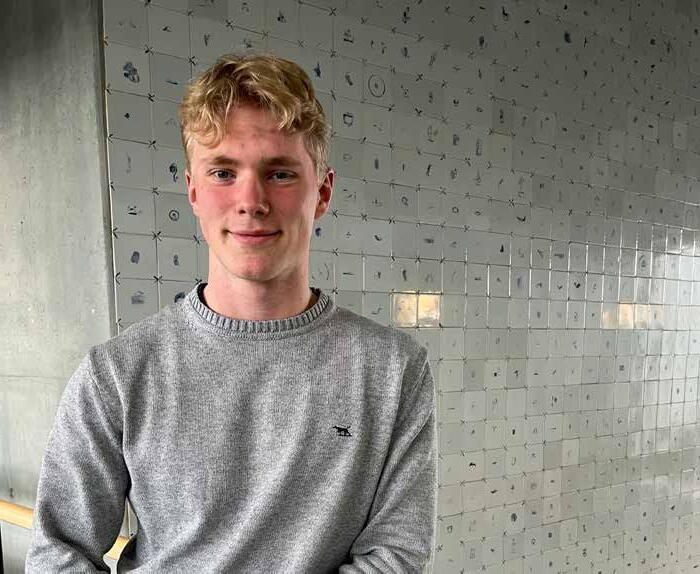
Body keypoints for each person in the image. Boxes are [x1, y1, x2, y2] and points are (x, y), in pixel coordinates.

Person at [25, 52, 437, 573]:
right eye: (223, 172)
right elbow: (57, 553)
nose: (251, 201)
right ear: (194, 191)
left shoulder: (394, 371)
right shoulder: (116, 374)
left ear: (323, 191)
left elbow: (396, 557)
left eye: (280, 173)